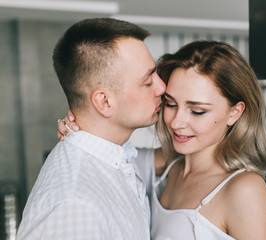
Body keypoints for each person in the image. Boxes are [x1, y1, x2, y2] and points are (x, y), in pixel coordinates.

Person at [59, 41, 266, 239]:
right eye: (171, 104)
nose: (176, 122)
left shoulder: (244, 189)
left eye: (197, 111)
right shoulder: (166, 166)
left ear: (235, 113)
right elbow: (105, 153)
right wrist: (81, 121)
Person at [17, 18, 165, 240]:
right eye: (147, 82)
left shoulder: (116, 156)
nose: (162, 86)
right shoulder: (74, 206)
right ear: (104, 102)